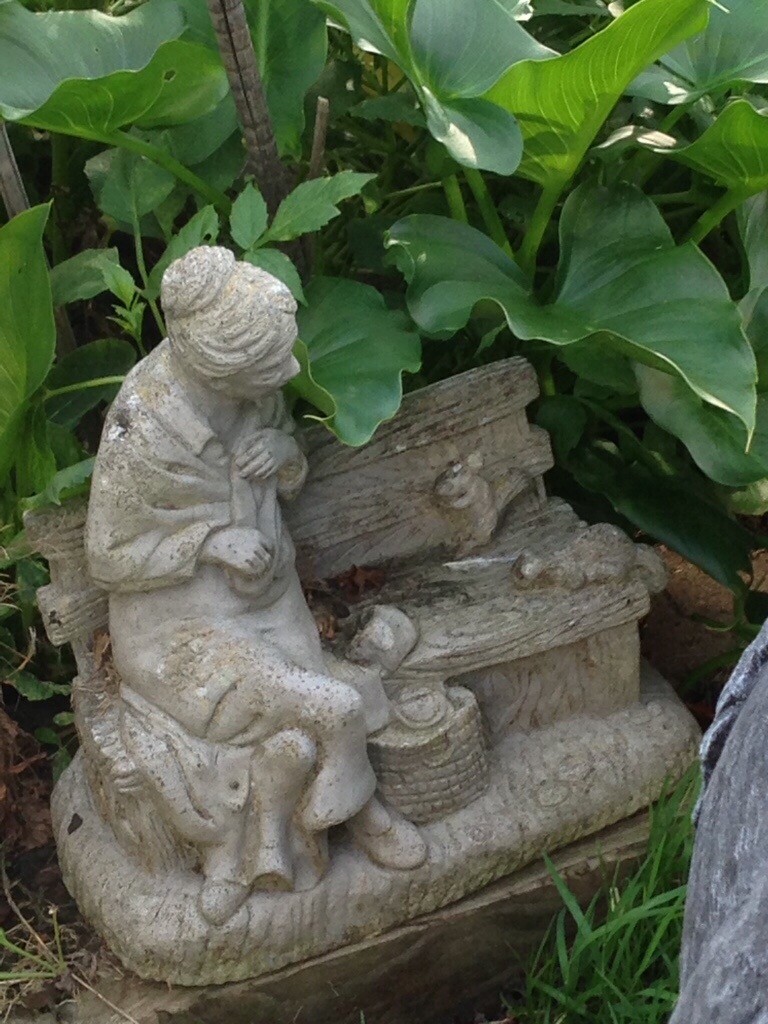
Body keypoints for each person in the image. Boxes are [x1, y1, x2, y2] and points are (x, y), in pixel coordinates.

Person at [85, 246, 426, 926]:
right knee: (328, 706)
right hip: (179, 631)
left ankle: (333, 814)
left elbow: (288, 459)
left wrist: (285, 455)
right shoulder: (144, 429)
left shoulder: (254, 394)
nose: (292, 372)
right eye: (272, 364)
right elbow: (106, 554)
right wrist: (208, 544)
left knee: (306, 704)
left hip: (267, 602)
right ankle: (358, 811)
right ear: (219, 366)